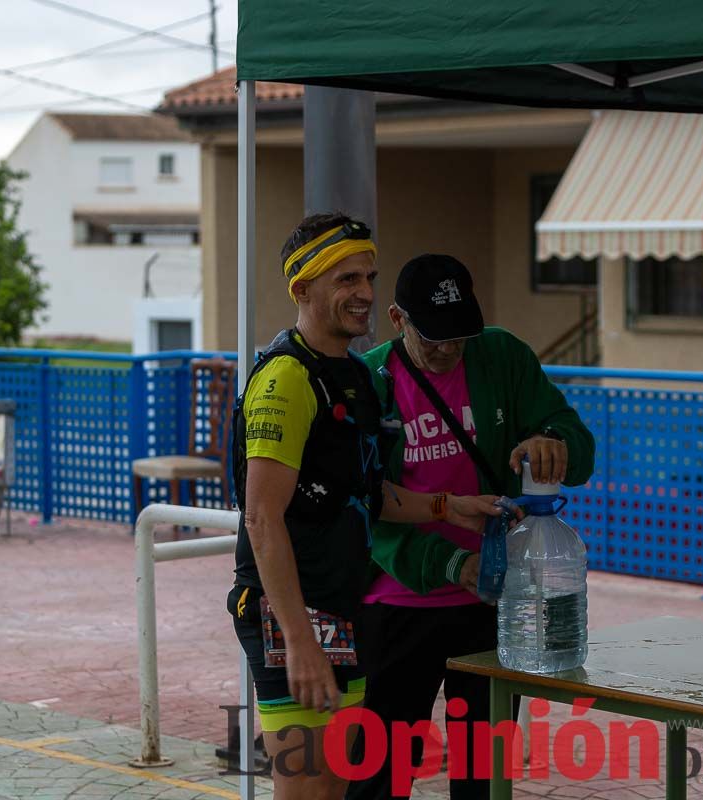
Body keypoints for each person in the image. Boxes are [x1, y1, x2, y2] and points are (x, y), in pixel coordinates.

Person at [230, 214, 501, 800]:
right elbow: (260, 517)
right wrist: (300, 641)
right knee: (305, 791)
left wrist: (451, 507)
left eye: (369, 277)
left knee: (334, 789)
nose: (365, 294)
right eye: (346, 279)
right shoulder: (286, 378)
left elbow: (368, 493)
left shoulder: (353, 374)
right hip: (288, 615)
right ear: (301, 290)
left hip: (339, 609)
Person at [346, 254, 595, 800]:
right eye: (432, 337)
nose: (447, 350)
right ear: (397, 319)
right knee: (380, 774)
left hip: (492, 606)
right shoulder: (370, 382)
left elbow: (577, 443)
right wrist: (450, 564)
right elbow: (364, 508)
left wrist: (552, 441)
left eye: (459, 336)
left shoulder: (501, 355)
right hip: (399, 606)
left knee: (485, 775)